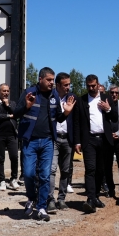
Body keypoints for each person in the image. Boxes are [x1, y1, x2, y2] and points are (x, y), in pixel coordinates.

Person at [14, 67, 75, 222]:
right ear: (40, 79)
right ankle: (31, 199)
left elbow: (59, 118)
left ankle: (41, 207)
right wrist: (26, 106)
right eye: (48, 80)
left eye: (53, 80)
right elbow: (16, 114)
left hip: (48, 141)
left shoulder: (54, 95)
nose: (51, 83)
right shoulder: (29, 93)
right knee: (28, 174)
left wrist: (66, 112)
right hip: (30, 141)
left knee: (45, 176)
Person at [73, 75, 117, 213]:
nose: (91, 88)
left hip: (104, 140)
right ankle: (90, 198)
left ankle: (96, 196)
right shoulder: (81, 100)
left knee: (100, 170)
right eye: (88, 86)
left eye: (93, 85)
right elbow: (77, 122)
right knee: (90, 169)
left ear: (98, 84)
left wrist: (108, 109)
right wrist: (77, 141)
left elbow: (115, 118)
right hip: (89, 140)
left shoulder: (106, 98)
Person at [51, 73, 76, 210]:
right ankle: (50, 199)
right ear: (58, 85)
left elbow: (76, 121)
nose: (68, 87)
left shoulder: (73, 99)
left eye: (69, 84)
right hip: (54, 139)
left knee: (66, 170)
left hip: (68, 139)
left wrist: (77, 141)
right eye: (65, 84)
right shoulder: (51, 98)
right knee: (52, 169)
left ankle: (61, 199)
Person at [0, 84, 19, 191]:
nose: (6, 93)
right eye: (3, 91)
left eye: (7, 91)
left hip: (12, 134)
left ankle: (13, 179)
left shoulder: (13, 103)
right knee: (0, 158)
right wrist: (9, 116)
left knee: (14, 157)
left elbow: (16, 114)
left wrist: (8, 106)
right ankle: (2, 180)